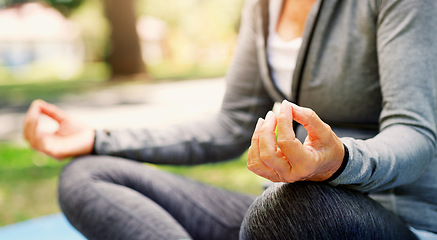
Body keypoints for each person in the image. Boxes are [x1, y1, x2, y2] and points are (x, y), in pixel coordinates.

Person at [23, 0, 437, 239]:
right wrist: (98, 137)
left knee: (284, 209)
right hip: (277, 219)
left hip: (391, 219)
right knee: (88, 177)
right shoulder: (263, 5)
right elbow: (231, 125)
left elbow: (415, 132)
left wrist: (341, 161)